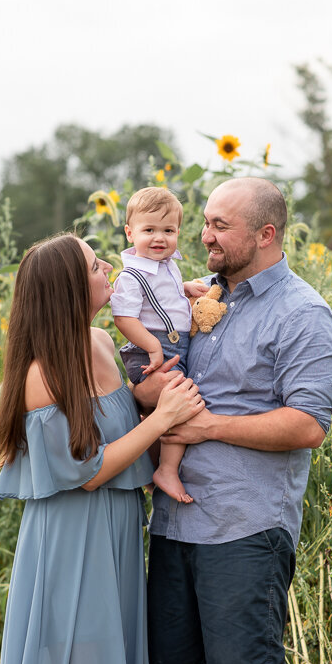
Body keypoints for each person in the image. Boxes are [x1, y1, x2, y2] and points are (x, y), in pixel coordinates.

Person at [135, 177, 332, 664]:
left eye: (220, 225)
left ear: (265, 235)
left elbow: (307, 424)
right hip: (178, 517)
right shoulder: (201, 298)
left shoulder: (303, 314)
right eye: (204, 223)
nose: (204, 235)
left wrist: (207, 426)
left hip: (247, 522)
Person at [0, 234, 204, 664]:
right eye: (96, 265)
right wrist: (159, 423)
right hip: (70, 536)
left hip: (117, 531)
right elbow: (87, 469)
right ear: (70, 290)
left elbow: (112, 423)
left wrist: (144, 400)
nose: (109, 270)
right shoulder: (42, 375)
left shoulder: (103, 343)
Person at [112, 186, 203, 505]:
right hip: (151, 350)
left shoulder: (166, 265)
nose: (159, 238)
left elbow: (165, 294)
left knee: (178, 400)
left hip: (171, 345)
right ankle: (165, 468)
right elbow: (124, 318)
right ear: (129, 232)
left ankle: (158, 465)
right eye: (148, 230)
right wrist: (151, 346)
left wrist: (185, 287)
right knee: (182, 403)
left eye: (168, 230)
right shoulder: (131, 275)